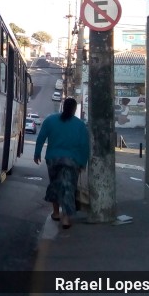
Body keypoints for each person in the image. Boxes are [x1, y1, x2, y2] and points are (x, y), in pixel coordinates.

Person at [33, 97, 89, 229]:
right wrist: (82, 163)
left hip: (53, 159)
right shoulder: (80, 125)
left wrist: (37, 154)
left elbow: (41, 137)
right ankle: (66, 217)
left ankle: (56, 213)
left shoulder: (50, 120)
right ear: (75, 109)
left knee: (55, 184)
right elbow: (85, 146)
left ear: (63, 107)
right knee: (68, 188)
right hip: (72, 161)